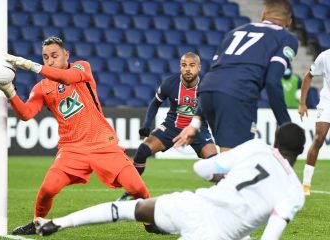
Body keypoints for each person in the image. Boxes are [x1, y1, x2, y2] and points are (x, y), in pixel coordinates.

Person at [0, 36, 150, 235]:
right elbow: (26, 114)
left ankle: (151, 222)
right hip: (71, 149)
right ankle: (37, 221)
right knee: (47, 189)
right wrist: (9, 91)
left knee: (136, 187)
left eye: (54, 56)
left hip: (103, 143)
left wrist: (32, 66)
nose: (50, 60)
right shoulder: (42, 88)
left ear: (67, 55)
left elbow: (66, 78)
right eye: (45, 57)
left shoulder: (82, 68)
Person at [34, 123, 306, 240]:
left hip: (193, 204)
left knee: (131, 210)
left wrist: (219, 176)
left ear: (276, 142)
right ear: (299, 153)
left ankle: (60, 222)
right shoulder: (294, 193)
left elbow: (202, 168)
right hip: (216, 234)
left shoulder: (256, 148)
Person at [173, 0, 297, 152]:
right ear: (289, 22)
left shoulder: (233, 33)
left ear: (263, 14)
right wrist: (285, 124)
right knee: (235, 161)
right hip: (238, 94)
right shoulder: (286, 38)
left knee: (231, 158)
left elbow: (217, 73)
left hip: (207, 91)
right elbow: (272, 81)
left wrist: (196, 122)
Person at [118, 52, 217, 201]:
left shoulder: (207, 87)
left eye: (192, 65)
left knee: (215, 162)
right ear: (180, 67)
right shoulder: (170, 83)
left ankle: (221, 198)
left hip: (198, 129)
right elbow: (155, 103)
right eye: (184, 65)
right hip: (172, 127)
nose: (188, 69)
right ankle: (133, 191)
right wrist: (146, 125)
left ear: (199, 67)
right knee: (142, 151)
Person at [298, 49, 330, 196]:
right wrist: (302, 103)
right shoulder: (325, 56)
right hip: (327, 102)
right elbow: (308, 76)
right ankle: (306, 184)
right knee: (319, 138)